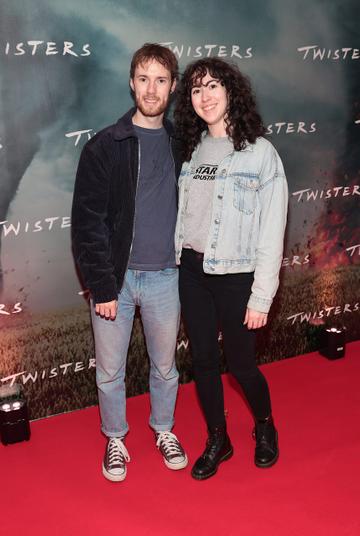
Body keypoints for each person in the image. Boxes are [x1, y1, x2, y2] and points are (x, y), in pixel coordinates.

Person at [72, 43, 188, 482]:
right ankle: (116, 439)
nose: (152, 88)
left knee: (165, 366)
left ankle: (163, 430)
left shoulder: (184, 145)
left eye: (161, 80)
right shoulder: (105, 146)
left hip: (166, 277)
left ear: (173, 87)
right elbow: (87, 222)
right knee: (110, 372)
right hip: (116, 282)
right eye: (144, 78)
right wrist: (102, 285)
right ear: (131, 82)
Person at [174, 58, 288, 480]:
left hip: (236, 275)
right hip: (191, 271)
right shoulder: (190, 149)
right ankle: (218, 439)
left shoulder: (259, 153)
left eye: (213, 86)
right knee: (203, 361)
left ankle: (264, 425)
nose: (205, 96)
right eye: (196, 90)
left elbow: (272, 230)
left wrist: (262, 296)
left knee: (241, 365)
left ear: (230, 92)